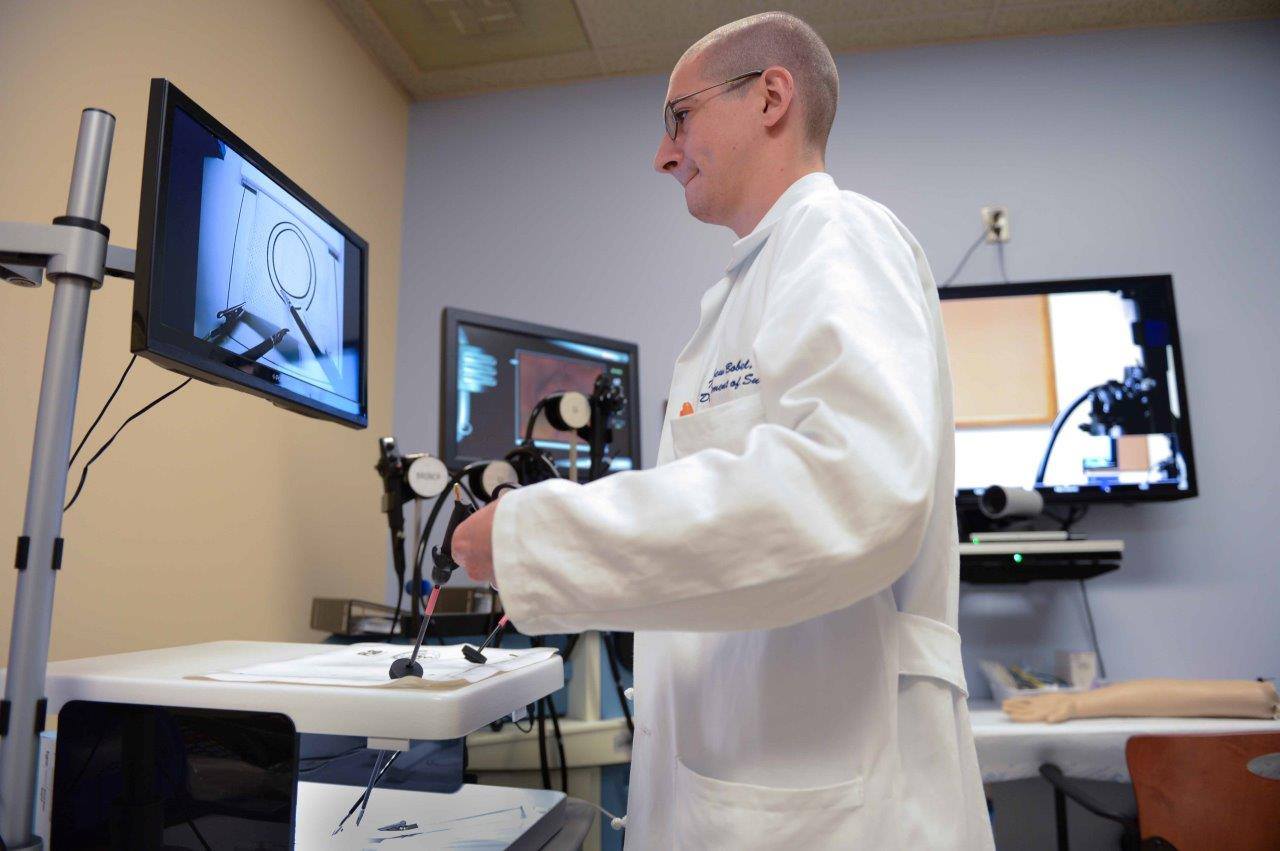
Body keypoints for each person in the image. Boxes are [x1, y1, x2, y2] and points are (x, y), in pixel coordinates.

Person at [453, 11, 994, 849]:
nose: (664, 154)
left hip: (836, 809)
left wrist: (535, 539)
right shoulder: (746, 293)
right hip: (755, 784)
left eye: (680, 116)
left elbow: (849, 491)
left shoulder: (838, 231)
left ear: (771, 96)